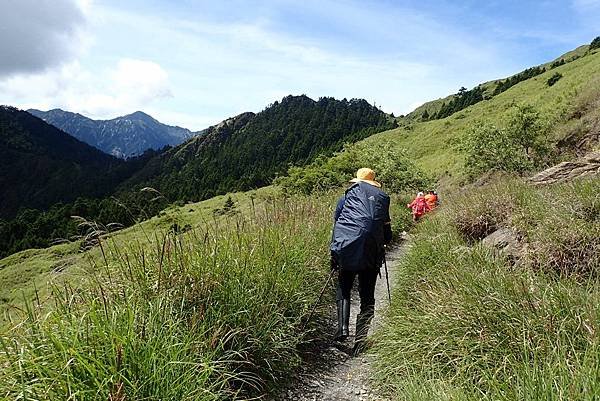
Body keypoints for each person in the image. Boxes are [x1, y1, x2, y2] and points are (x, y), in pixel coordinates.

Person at [330, 167, 392, 356]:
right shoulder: (382, 200)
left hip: (348, 248)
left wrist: (335, 253)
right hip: (371, 253)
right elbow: (388, 234)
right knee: (367, 295)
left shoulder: (346, 198)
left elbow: (338, 223)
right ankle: (360, 340)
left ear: (357, 181)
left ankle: (342, 329)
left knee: (344, 286)